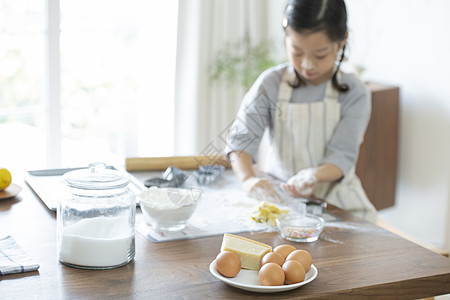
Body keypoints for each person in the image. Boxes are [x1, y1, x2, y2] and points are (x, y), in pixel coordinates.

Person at [224, 0, 377, 222]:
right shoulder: (272, 84)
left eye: (320, 55)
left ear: (342, 40)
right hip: (282, 202)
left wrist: (313, 175)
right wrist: (248, 179)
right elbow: (240, 141)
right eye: (296, 52)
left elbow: (342, 156)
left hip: (340, 206)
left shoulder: (354, 92)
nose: (307, 65)